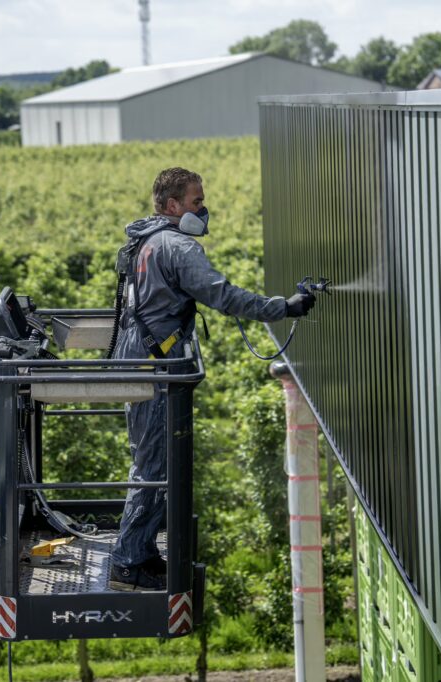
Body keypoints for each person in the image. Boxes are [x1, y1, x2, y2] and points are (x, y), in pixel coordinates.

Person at [108, 167, 315, 591]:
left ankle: (142, 550)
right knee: (153, 466)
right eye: (196, 201)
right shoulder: (179, 248)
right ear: (172, 206)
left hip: (139, 359)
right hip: (154, 366)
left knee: (152, 461)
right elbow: (223, 295)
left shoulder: (145, 239)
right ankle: (127, 562)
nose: (204, 209)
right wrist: (285, 307)